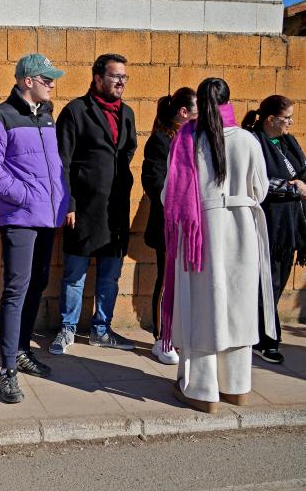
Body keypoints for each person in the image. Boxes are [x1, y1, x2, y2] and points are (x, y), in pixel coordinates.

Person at [162, 77, 275, 413]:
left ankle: (202, 389)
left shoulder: (187, 139)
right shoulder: (247, 139)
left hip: (201, 237)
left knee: (203, 308)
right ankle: (237, 387)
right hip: (242, 230)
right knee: (237, 307)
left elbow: (170, 194)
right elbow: (261, 189)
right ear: (229, 101)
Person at [0, 53, 69, 403]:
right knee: (16, 289)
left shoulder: (47, 118)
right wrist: (27, 196)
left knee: (37, 284)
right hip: (19, 217)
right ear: (27, 80)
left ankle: (22, 351)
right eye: (47, 79)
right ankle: (7, 370)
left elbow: (56, 166)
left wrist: (63, 202)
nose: (53, 84)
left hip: (48, 216)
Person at [50, 53, 138, 355]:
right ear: (98, 78)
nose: (121, 82)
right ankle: (67, 329)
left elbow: (127, 152)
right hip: (84, 209)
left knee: (110, 274)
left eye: (124, 77)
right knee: (75, 273)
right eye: (115, 76)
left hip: (115, 211)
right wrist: (69, 203)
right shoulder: (76, 111)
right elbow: (61, 161)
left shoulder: (127, 113)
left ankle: (102, 329)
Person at [241, 95, 304, 364]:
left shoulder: (289, 141)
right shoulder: (253, 141)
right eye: (286, 118)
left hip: (290, 225)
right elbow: (258, 181)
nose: (290, 122)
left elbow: (304, 169)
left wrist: (299, 183)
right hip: (267, 222)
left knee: (277, 281)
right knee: (268, 281)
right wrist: (292, 187)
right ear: (270, 120)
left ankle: (259, 332)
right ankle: (266, 339)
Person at [141, 87, 197, 365]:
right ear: (183, 113)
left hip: (192, 225)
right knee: (166, 280)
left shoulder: (194, 139)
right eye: (197, 112)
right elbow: (153, 183)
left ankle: (180, 335)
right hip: (168, 224)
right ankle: (161, 338)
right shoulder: (161, 141)